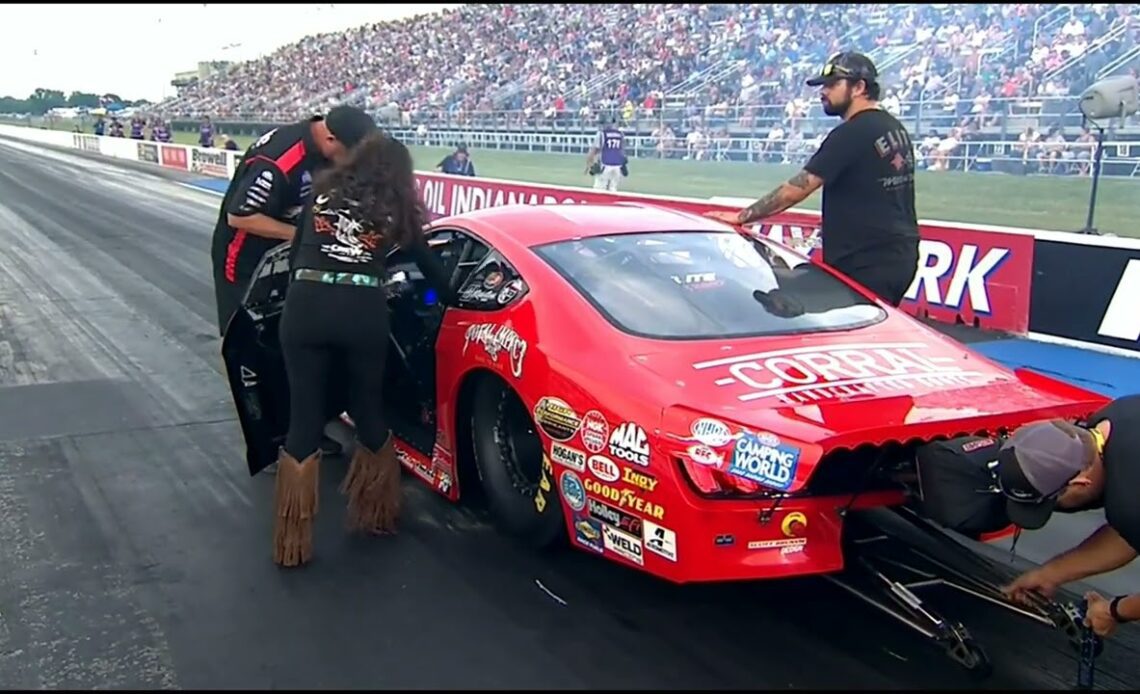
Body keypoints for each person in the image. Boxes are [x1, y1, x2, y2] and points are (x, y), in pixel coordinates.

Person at [271, 131, 456, 568]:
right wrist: (452, 293)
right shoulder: (395, 206)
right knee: (369, 411)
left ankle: (291, 541)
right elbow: (432, 272)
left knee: (303, 421)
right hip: (362, 313)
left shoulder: (322, 193)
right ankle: (376, 513)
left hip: (305, 309)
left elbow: (297, 254)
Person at [705, 51, 920, 307]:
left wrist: (742, 217)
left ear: (859, 87)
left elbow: (799, 187)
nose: (823, 92)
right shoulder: (894, 127)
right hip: (899, 255)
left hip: (866, 262)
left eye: (832, 84)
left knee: (781, 307)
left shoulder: (852, 133)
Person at [210, 105, 378, 338]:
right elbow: (240, 216)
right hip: (243, 258)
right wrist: (305, 235)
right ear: (330, 140)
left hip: (285, 253)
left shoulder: (329, 142)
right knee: (246, 338)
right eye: (350, 154)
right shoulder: (279, 159)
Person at [996, 395, 1140, 637]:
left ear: (1080, 482)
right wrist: (1050, 574)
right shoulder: (1116, 413)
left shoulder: (1129, 498)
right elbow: (1127, 535)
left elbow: (1132, 516)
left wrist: (1113, 610)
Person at [587, 116, 626, 192]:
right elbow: (621, 151)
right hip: (617, 166)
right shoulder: (620, 134)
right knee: (613, 189)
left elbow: (594, 150)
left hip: (605, 164)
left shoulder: (602, 134)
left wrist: (589, 164)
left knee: (599, 189)